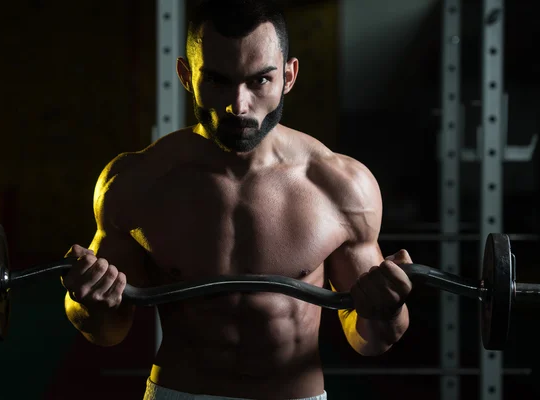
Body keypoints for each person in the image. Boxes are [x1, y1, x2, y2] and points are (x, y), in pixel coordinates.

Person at [62, 0, 414, 399]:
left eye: (260, 81)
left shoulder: (341, 186)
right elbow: (107, 331)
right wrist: (87, 302)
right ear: (185, 74)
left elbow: (372, 339)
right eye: (216, 80)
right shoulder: (136, 181)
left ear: (289, 75)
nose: (238, 105)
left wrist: (387, 310)